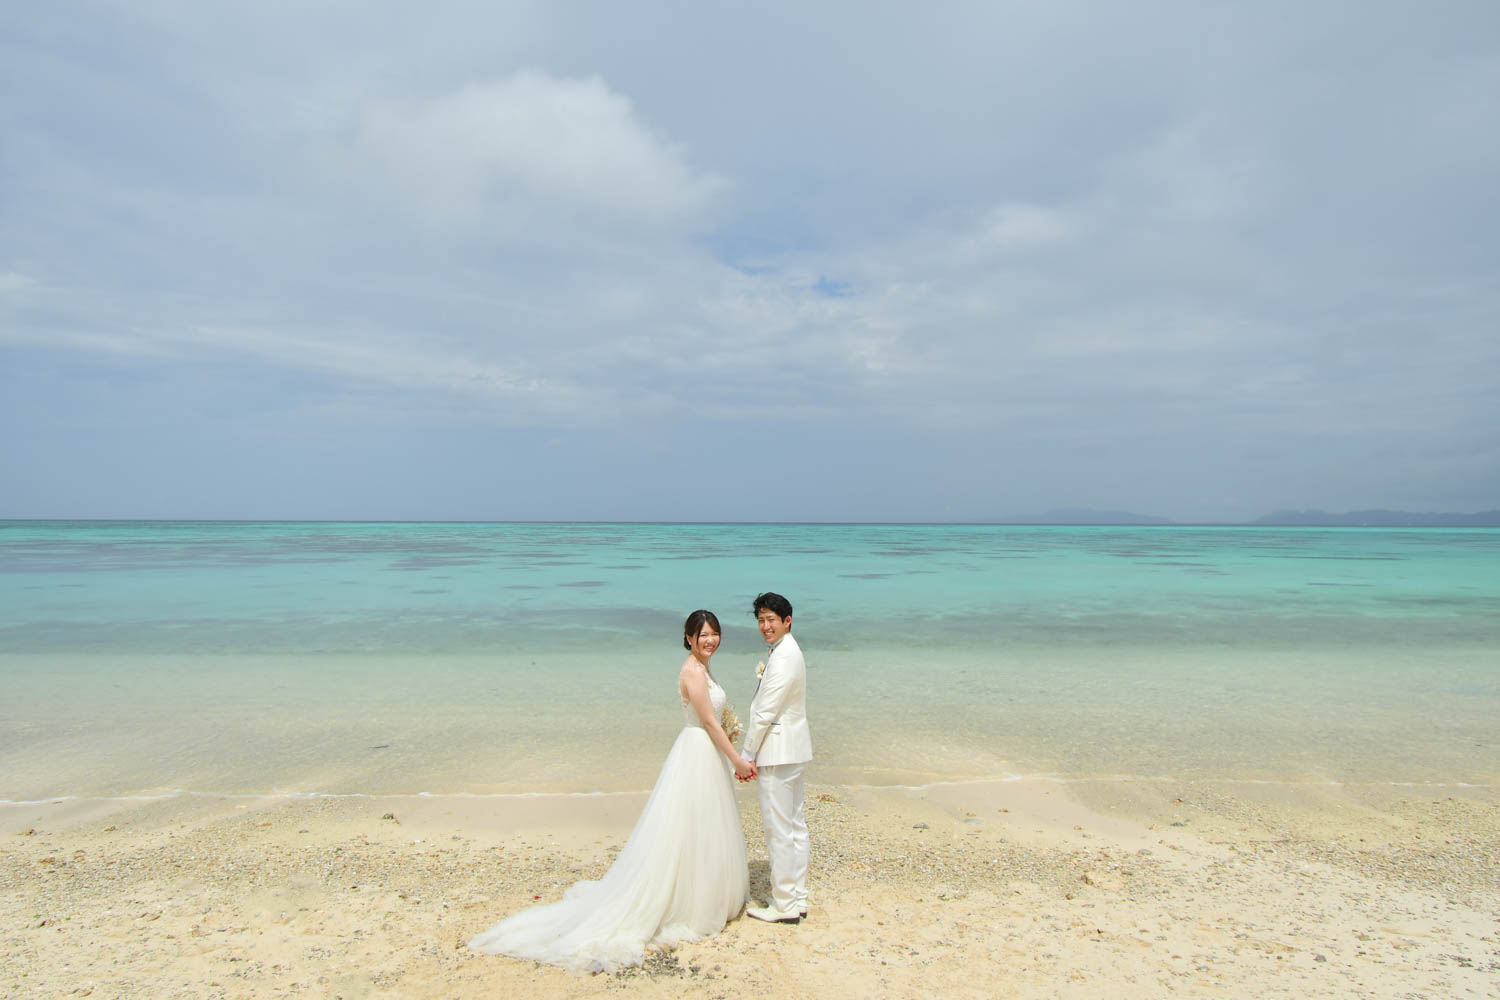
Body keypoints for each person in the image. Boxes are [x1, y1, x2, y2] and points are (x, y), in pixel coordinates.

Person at [467, 610, 753, 973]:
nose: (710, 640)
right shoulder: (693, 672)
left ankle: (705, 893)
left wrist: (727, 749)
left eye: (714, 633)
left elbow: (712, 720)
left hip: (704, 753)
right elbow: (709, 722)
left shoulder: (704, 668)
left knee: (704, 826)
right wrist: (736, 759)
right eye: (703, 635)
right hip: (697, 751)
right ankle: (693, 902)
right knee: (690, 827)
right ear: (688, 638)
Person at [740, 592, 813, 924]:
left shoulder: (783, 657)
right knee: (795, 825)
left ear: (787, 621)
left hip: (778, 751)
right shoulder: (789, 650)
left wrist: (747, 753)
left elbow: (765, 712)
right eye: (761, 620)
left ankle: (784, 903)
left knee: (779, 829)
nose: (765, 626)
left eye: (771, 619)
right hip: (794, 749)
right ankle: (797, 896)